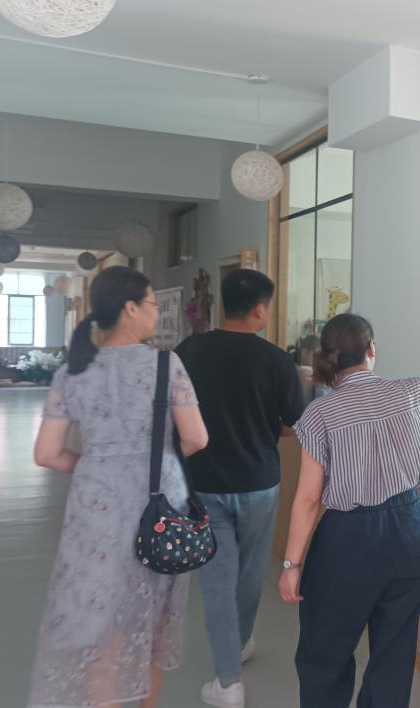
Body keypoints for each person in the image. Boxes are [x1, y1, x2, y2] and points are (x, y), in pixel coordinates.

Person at [278, 314, 420, 708]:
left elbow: (309, 499)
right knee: (395, 650)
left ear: (329, 357)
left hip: (348, 537)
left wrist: (291, 565)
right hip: (409, 527)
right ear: (371, 350)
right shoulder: (412, 392)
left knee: (325, 648)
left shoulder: (321, 414)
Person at [29, 266, 209, 708]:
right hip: (160, 506)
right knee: (155, 618)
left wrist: (98, 464)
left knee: (103, 621)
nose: (155, 314)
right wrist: (155, 462)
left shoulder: (70, 372)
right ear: (130, 309)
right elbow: (196, 439)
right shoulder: (166, 364)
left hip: (96, 507)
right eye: (152, 305)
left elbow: (47, 454)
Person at [174, 269, 306, 708]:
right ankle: (241, 641)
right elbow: (293, 424)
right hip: (259, 483)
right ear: (259, 311)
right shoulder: (276, 360)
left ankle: (228, 680)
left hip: (204, 482)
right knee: (250, 575)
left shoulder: (189, 350)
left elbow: (172, 411)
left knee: (216, 580)